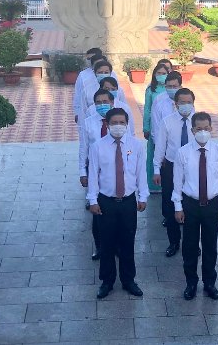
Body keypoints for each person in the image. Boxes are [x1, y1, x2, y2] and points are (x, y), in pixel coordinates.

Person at [87, 108, 148, 299]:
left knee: (128, 242)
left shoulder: (136, 146)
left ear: (127, 124)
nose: (118, 126)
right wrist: (92, 200)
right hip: (106, 202)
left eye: (122, 122)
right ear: (107, 124)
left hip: (128, 201)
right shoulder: (98, 146)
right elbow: (93, 175)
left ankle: (129, 280)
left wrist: (143, 196)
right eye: (114, 123)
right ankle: (107, 281)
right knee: (107, 243)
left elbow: (140, 173)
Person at [172, 112, 218, 301]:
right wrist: (178, 207)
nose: (203, 132)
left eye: (206, 128)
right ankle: (191, 282)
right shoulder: (183, 152)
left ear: (211, 129)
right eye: (199, 129)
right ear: (192, 130)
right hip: (190, 204)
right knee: (189, 246)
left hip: (212, 205)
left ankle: (209, 282)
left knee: (210, 245)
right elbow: (177, 183)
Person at [153, 88, 195, 257]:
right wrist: (156, 169)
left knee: (191, 206)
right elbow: (160, 147)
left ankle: (192, 243)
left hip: (192, 167)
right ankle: (174, 242)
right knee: (171, 205)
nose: (186, 106)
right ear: (175, 104)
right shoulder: (167, 122)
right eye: (182, 103)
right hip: (171, 167)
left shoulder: (198, 122)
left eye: (189, 102)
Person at [79, 89, 116, 259]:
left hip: (115, 171)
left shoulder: (119, 122)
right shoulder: (88, 123)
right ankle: (100, 246)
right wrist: (82, 171)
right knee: (98, 212)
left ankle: (116, 246)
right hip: (95, 171)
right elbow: (83, 148)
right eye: (98, 103)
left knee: (116, 210)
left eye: (105, 101)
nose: (102, 105)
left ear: (112, 102)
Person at [143, 63, 169, 192]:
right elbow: (147, 109)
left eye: (164, 73)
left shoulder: (171, 90)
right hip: (155, 128)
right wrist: (146, 128)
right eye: (158, 73)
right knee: (154, 155)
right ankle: (153, 185)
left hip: (169, 129)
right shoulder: (151, 90)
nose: (161, 76)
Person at [73, 48, 106, 124]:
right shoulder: (83, 75)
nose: (90, 61)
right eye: (88, 59)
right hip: (89, 113)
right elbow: (78, 95)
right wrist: (77, 113)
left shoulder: (112, 74)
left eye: (91, 58)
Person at [151, 71, 182, 143]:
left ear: (180, 86)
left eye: (174, 86)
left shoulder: (186, 102)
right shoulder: (159, 102)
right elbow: (155, 126)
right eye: (169, 86)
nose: (172, 89)